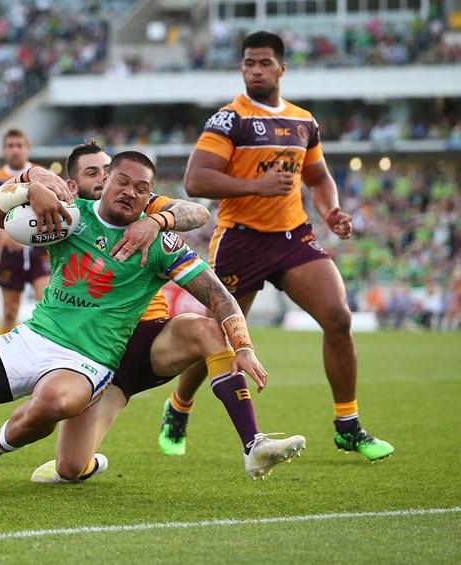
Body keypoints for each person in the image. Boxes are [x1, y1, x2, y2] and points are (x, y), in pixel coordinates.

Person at [0, 151, 303, 488]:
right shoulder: (69, 217)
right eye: (121, 182)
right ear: (104, 182)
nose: (130, 191)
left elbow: (220, 293)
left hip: (91, 360)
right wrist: (26, 182)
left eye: (141, 187)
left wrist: (242, 346)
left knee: (51, 403)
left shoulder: (159, 241)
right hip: (34, 338)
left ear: (150, 195)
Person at [159, 31, 393, 462]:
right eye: (248, 63)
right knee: (217, 333)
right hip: (240, 239)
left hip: (293, 237)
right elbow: (196, 180)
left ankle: (348, 425)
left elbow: (319, 178)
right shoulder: (229, 120)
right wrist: (257, 185)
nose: (255, 70)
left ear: (281, 68)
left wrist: (332, 211)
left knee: (339, 318)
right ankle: (178, 407)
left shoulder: (304, 121)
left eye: (264, 63)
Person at [31, 141, 305, 483]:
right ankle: (86, 461)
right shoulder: (66, 216)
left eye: (108, 170)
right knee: (69, 467)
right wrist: (30, 180)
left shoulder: (140, 206)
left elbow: (200, 216)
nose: (105, 179)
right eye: (94, 173)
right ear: (71, 186)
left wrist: (158, 221)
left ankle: (254, 443)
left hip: (146, 342)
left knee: (205, 328)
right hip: (86, 350)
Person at [0, 128, 50, 333]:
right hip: (10, 250)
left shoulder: (42, 174)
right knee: (10, 311)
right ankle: (6, 360)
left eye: (20, 145)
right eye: (11, 146)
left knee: (44, 303)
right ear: (3, 150)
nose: (15, 150)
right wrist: (3, 233)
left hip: (40, 248)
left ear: (28, 148)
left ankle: (45, 356)